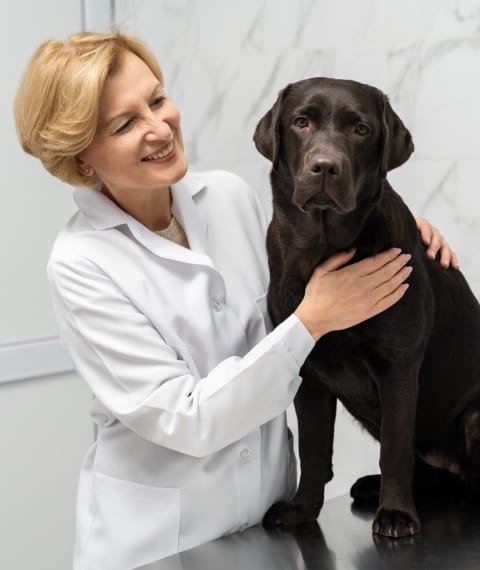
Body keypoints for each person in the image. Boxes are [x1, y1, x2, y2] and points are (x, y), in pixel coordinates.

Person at [14, 32, 458, 570]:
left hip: (272, 525)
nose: (159, 128)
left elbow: (313, 258)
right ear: (82, 158)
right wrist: (312, 321)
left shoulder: (227, 197)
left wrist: (400, 232)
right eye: (125, 124)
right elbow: (189, 419)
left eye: (155, 100)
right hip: (162, 544)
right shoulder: (80, 264)